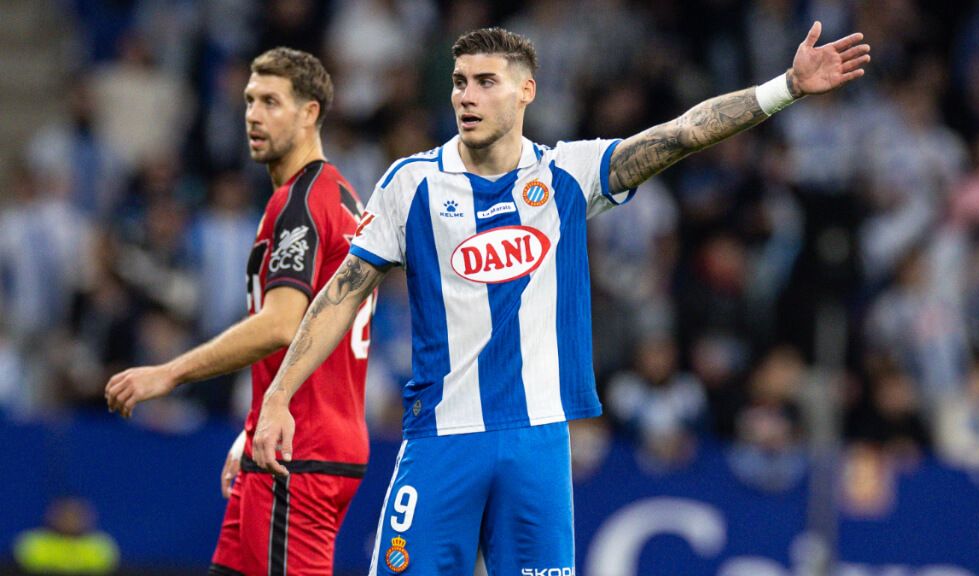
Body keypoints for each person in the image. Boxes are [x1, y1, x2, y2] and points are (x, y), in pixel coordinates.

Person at [252, 25, 870, 574]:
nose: (465, 95)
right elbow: (339, 294)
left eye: (486, 82)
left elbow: (681, 134)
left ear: (526, 92)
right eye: (460, 81)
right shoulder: (409, 184)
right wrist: (281, 394)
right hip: (441, 439)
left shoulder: (568, 173)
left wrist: (784, 87)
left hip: (537, 444)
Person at [104, 47, 374, 576]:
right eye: (250, 100)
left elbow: (280, 324)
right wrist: (250, 428)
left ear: (310, 112)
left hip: (299, 453)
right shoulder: (340, 196)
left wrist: (169, 372)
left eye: (272, 102)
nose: (253, 114)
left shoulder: (299, 204)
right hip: (286, 442)